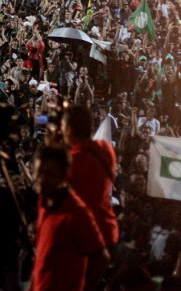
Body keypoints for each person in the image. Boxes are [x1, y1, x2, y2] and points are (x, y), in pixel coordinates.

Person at [31, 146, 109, 291]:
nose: (42, 179)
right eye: (39, 172)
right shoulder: (43, 203)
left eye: (50, 174)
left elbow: (101, 258)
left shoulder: (77, 212)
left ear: (64, 176)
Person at [62, 104, 120, 249]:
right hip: (107, 232)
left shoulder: (73, 161)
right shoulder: (107, 151)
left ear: (69, 130)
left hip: (84, 237)